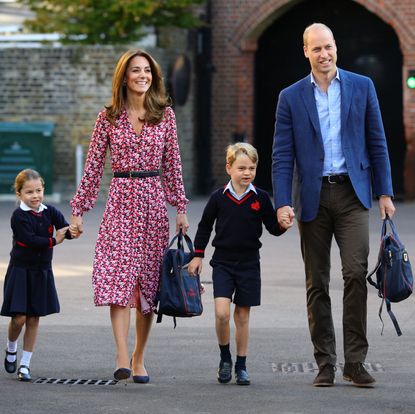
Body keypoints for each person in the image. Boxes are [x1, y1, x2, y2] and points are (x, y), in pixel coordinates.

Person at [272, 23, 396, 388]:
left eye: (329, 47)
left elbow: (378, 141)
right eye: (317, 49)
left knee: (356, 275)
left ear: (336, 48)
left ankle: (355, 362)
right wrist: (282, 202)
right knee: (317, 283)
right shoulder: (290, 97)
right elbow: (282, 156)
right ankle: (325, 362)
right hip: (312, 197)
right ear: (305, 52)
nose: (324, 55)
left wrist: (385, 193)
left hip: (352, 194)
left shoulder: (362, 86)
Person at [69, 49, 189, 383]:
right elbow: (93, 168)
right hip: (120, 203)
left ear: (154, 76)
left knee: (149, 287)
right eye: (135, 70)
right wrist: (78, 211)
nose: (142, 76)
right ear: (124, 76)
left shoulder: (164, 115)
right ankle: (122, 354)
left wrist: (180, 207)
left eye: (147, 71)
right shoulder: (107, 117)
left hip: (152, 205)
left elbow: (172, 165)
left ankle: (139, 356)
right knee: (118, 279)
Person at [188, 143, 286, 385]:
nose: (247, 172)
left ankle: (241, 365)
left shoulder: (260, 198)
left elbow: (273, 228)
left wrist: (283, 224)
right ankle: (225, 359)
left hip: (249, 264)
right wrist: (197, 255)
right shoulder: (218, 198)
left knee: (242, 315)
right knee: (222, 313)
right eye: (241, 167)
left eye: (252, 168)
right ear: (229, 168)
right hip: (223, 262)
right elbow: (204, 226)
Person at [1, 169, 71, 381]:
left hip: (42, 271)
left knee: (33, 318)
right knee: (19, 318)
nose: (35, 196)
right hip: (21, 271)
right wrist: (54, 240)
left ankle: (25, 365)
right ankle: (11, 347)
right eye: (29, 192)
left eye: (38, 190)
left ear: (43, 189)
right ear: (19, 194)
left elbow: (64, 227)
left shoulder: (50, 210)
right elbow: (29, 241)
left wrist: (72, 231)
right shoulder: (18, 216)